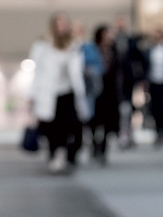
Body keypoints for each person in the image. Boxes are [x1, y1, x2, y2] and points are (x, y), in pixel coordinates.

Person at [28, 12, 88, 173]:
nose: (61, 28)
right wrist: (32, 95)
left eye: (64, 25)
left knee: (72, 125)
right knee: (52, 128)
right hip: (49, 93)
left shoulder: (74, 46)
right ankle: (55, 153)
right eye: (58, 25)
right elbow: (37, 73)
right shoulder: (43, 46)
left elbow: (77, 71)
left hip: (68, 93)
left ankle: (69, 153)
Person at [89, 24, 119, 165]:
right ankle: (94, 144)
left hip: (110, 91)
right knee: (94, 121)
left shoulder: (114, 50)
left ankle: (103, 149)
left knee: (108, 122)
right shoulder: (93, 49)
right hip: (95, 90)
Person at [112, 13, 143, 148]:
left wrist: (140, 77)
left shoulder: (131, 41)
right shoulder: (112, 40)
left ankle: (128, 134)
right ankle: (119, 134)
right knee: (117, 108)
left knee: (128, 108)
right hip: (114, 80)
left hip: (128, 80)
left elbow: (138, 59)